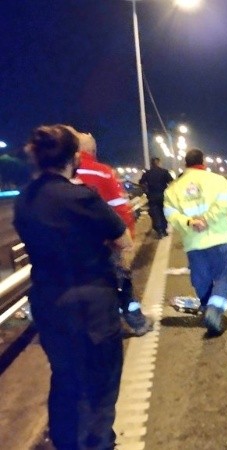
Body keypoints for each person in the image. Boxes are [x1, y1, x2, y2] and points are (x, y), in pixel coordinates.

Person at [13, 124, 131, 450]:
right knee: (101, 380)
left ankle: (66, 442)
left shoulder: (24, 200)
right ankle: (99, 442)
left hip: (48, 301)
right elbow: (124, 240)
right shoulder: (81, 197)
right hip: (92, 301)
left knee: (64, 378)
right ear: (74, 157)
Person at [73, 130, 153, 336]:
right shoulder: (102, 172)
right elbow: (120, 208)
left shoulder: (61, 176)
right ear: (92, 149)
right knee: (121, 281)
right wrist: (127, 238)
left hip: (72, 246)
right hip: (106, 242)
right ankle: (136, 321)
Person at [164, 148, 227, 335]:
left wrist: (189, 222)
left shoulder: (173, 189)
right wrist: (207, 219)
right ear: (203, 163)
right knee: (224, 275)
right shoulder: (218, 180)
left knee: (201, 279)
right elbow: (224, 204)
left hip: (193, 243)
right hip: (218, 239)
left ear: (185, 164)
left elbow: (170, 214)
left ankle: (205, 306)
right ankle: (215, 309)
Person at [139, 157, 174, 238]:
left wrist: (146, 191)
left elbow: (141, 182)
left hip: (152, 196)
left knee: (155, 213)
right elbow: (171, 182)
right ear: (158, 163)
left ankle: (159, 231)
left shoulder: (147, 173)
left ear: (151, 163)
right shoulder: (164, 172)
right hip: (163, 196)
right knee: (163, 213)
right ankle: (164, 230)